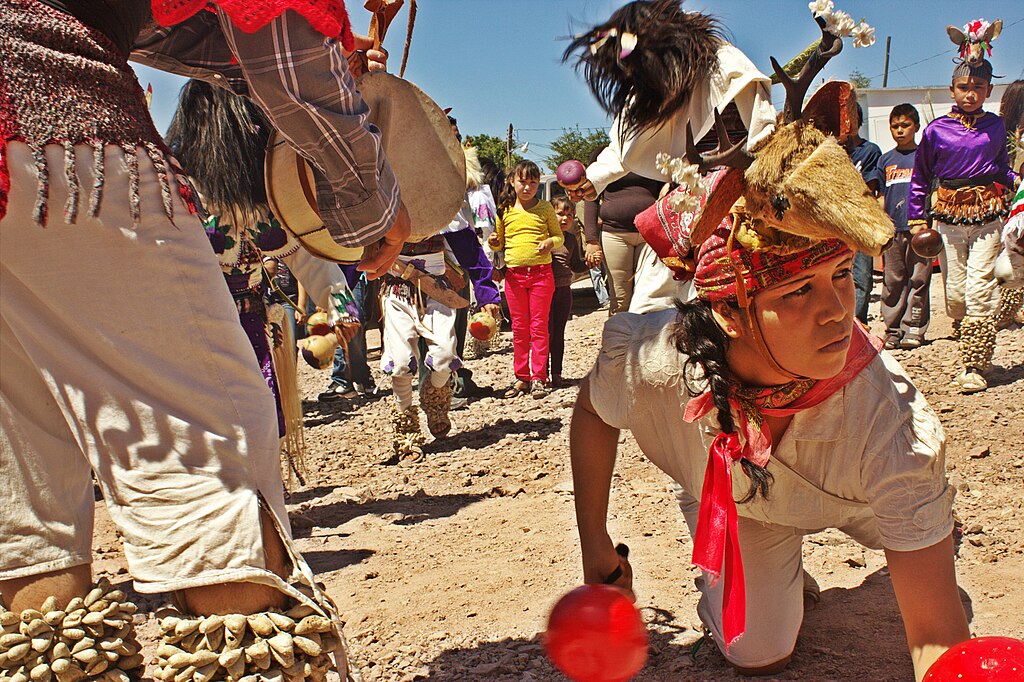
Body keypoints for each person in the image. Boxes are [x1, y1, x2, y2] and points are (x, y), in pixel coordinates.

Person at [0, 2, 408, 679]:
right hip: (52, 128)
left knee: (24, 457)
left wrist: (329, 52)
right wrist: (369, 198)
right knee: (205, 443)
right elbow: (278, 39)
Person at [571, 168, 968, 681]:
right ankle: (732, 539)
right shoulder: (655, 362)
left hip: (858, 494)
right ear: (730, 313)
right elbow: (592, 411)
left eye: (842, 274)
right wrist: (594, 544)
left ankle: (931, 525)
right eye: (799, 290)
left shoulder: (890, 425)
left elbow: (937, 637)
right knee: (758, 653)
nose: (838, 313)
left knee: (918, 536)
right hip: (740, 499)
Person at [908, 31, 1018, 393]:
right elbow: (921, 176)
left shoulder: (996, 126)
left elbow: (1002, 168)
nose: (971, 93)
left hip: (988, 216)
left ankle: (974, 364)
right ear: (951, 90)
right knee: (956, 296)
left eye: (978, 87)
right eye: (963, 86)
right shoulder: (937, 131)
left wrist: (1020, 184)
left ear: (988, 91)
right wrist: (916, 218)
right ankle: (972, 325)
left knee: (978, 290)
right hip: (948, 218)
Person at [488, 160, 564, 399]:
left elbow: (559, 237)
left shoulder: (545, 209)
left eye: (533, 182)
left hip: (542, 274)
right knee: (519, 329)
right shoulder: (505, 210)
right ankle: (521, 377)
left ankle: (539, 377)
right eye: (523, 181)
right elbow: (499, 242)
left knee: (539, 328)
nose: (528, 187)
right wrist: (493, 242)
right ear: (512, 181)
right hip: (514, 277)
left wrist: (550, 243)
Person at [878, 104, 931, 349]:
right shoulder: (885, 160)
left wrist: (928, 224)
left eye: (905, 125)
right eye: (895, 126)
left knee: (919, 279)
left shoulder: (925, 157)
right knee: (893, 280)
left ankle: (914, 328)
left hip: (920, 231)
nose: (900, 131)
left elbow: (934, 192)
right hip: (893, 230)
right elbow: (880, 196)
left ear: (916, 127)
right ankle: (893, 330)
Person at [583, 165, 664, 315]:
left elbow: (665, 189)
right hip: (615, 234)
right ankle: (619, 338)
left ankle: (647, 338)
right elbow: (590, 199)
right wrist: (591, 240)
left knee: (650, 296)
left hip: (650, 233)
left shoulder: (652, 153)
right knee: (620, 299)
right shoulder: (603, 157)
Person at [845, 102, 883, 325]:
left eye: (851, 118)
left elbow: (868, 190)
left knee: (861, 277)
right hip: (832, 226)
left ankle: (857, 324)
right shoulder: (827, 151)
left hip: (860, 222)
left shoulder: (869, 152)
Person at [320, 264, 378, 401]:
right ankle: (342, 379)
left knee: (354, 324)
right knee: (337, 324)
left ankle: (361, 376)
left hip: (354, 272)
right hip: (329, 273)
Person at [549, 196, 590, 387]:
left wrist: (589, 264)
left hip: (564, 291)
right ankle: (539, 374)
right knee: (543, 334)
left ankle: (556, 374)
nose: (565, 219)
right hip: (544, 291)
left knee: (558, 333)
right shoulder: (544, 236)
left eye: (569, 215)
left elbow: (575, 265)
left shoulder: (572, 240)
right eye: (560, 214)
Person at [993, 79, 1024, 328]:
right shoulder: (1008, 135)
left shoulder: (1003, 132)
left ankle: (1007, 310)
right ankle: (1006, 310)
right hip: (1012, 202)